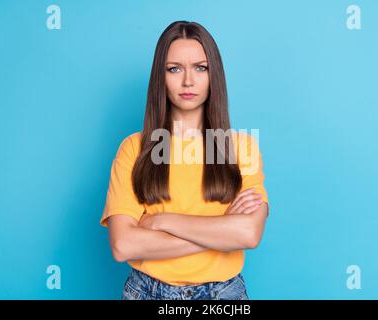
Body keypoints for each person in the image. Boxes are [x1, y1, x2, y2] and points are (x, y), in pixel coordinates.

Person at [100, 20, 269, 300]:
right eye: (174, 69)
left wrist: (162, 220)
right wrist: (220, 231)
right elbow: (123, 245)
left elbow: (248, 234)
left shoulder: (242, 148)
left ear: (213, 74)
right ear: (160, 77)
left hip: (222, 294)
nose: (188, 81)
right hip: (147, 292)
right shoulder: (134, 148)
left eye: (200, 68)